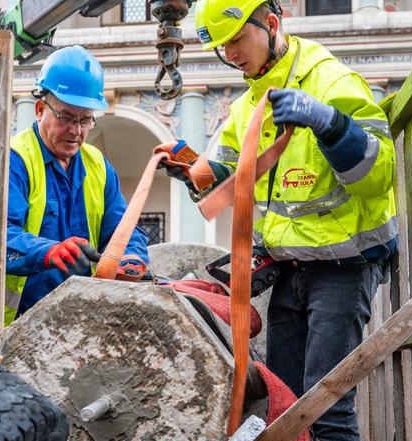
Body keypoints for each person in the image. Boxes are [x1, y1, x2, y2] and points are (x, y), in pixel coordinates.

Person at [161, 1, 397, 439]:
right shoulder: (249, 104)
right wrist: (193, 172)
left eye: (235, 40)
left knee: (324, 410)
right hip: (290, 269)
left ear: (271, 24)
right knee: (285, 404)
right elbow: (230, 181)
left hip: (344, 267)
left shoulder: (332, 81)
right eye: (219, 48)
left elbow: (378, 175)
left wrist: (330, 124)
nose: (229, 55)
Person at [0, 45, 149, 347]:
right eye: (67, 117)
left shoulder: (98, 167)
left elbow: (123, 230)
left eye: (85, 120)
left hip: (61, 322)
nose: (76, 131)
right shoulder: (12, 160)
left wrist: (132, 257)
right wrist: (49, 252)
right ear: (40, 109)